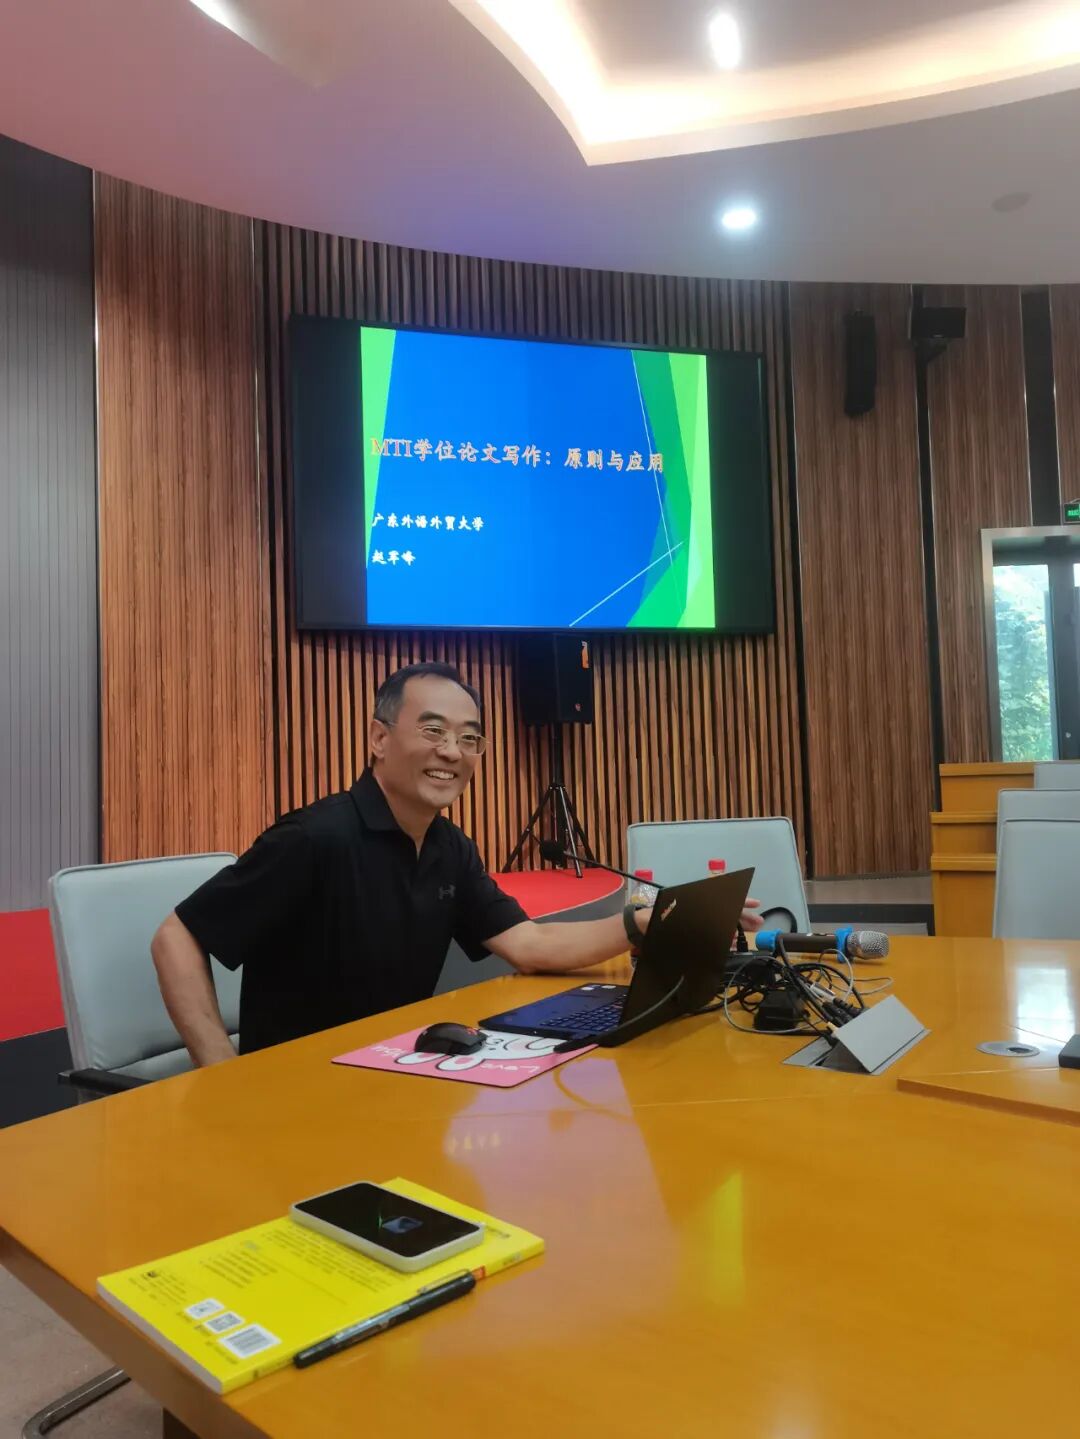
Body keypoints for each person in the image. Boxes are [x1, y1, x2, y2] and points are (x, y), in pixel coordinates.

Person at [152, 662, 761, 1064]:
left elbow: (528, 944)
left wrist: (645, 921)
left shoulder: (448, 846)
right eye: (433, 730)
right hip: (300, 1089)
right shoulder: (316, 838)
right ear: (379, 739)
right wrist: (222, 1072)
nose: (452, 752)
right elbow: (177, 937)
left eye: (470, 738)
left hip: (395, 1067)